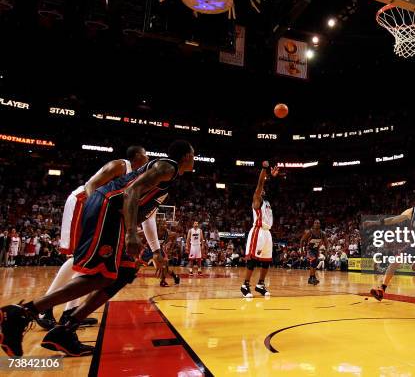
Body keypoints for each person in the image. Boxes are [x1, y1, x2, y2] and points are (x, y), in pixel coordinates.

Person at [0, 140, 195, 357]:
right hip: (108, 208)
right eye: (193, 155)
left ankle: (65, 330)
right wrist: (130, 232)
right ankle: (22, 313)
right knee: (101, 276)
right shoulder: (168, 166)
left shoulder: (167, 176)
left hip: (116, 215)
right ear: (186, 156)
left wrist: (153, 248)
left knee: (125, 271)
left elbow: (140, 210)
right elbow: (131, 191)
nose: (194, 159)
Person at [36, 146, 153, 331]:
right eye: (146, 154)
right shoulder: (121, 165)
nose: (148, 157)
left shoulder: (139, 177)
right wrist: (96, 211)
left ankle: (71, 311)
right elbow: (91, 184)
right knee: (77, 256)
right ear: (138, 156)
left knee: (88, 263)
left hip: (101, 210)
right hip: (84, 202)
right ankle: (44, 309)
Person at [240, 162, 279, 298]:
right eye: (261, 189)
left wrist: (273, 177)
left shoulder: (267, 202)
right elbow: (261, 183)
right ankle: (245, 285)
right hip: (258, 231)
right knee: (252, 260)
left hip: (267, 232)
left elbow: (270, 188)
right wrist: (264, 169)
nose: (263, 190)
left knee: (267, 260)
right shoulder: (257, 199)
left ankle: (260, 284)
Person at [300, 219, 328, 285]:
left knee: (315, 263)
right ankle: (312, 278)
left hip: (316, 250)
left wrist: (326, 250)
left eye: (318, 223)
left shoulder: (322, 233)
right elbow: (302, 240)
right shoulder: (310, 232)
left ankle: (312, 278)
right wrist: (302, 250)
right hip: (309, 249)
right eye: (315, 223)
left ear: (320, 225)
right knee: (313, 261)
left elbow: (326, 242)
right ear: (313, 224)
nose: (317, 224)